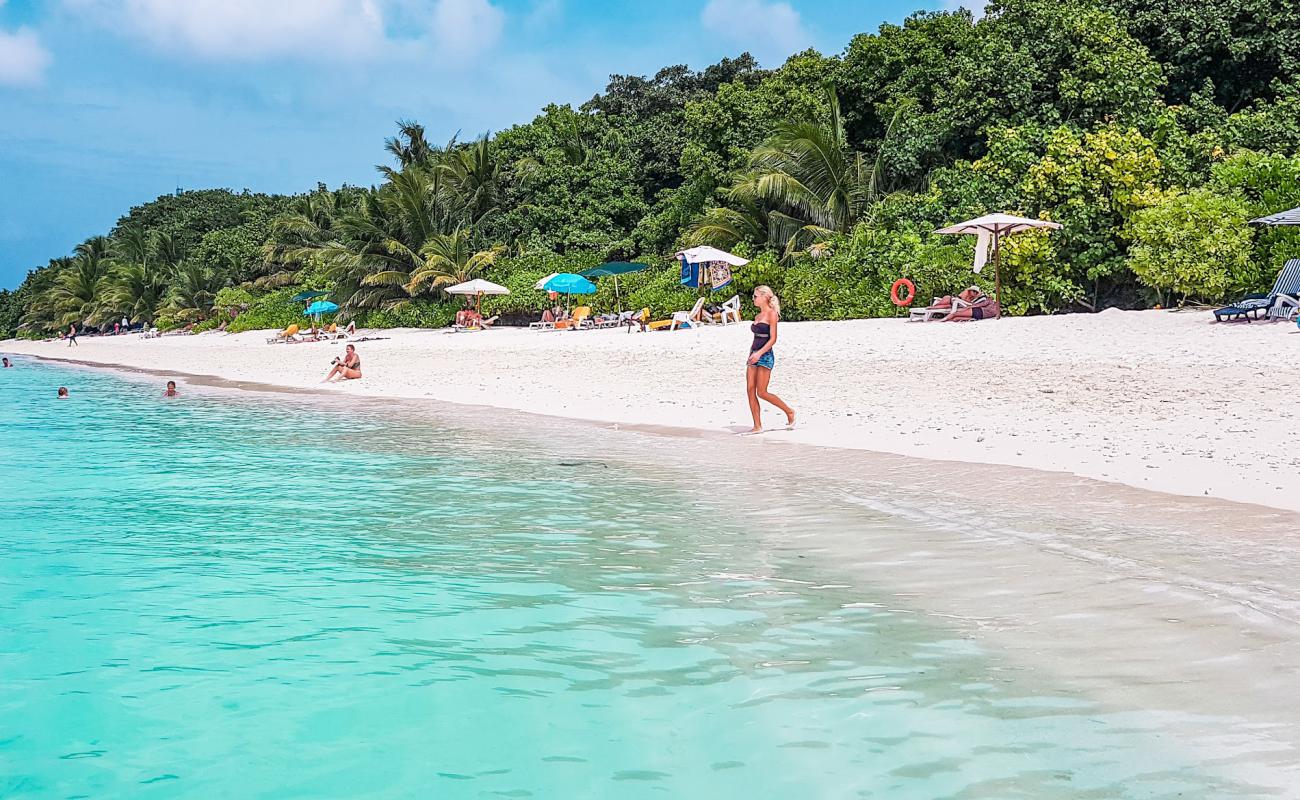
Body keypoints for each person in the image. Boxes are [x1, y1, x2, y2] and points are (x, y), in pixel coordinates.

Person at [744, 285, 795, 434]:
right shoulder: (757, 316)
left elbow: (773, 339)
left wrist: (759, 354)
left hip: (765, 355)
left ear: (765, 297)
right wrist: (753, 354)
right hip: (753, 353)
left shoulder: (772, 314)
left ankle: (789, 411)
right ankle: (757, 426)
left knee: (762, 392)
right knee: (750, 390)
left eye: (755, 296)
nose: (753, 299)